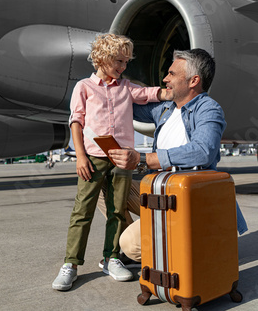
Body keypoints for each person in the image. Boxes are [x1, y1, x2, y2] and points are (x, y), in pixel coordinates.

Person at [52, 33, 171, 291]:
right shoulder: (84, 87)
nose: (123, 66)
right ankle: (71, 264)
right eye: (119, 60)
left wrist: (167, 92)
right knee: (82, 210)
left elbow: (147, 93)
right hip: (93, 158)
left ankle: (112, 258)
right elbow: (76, 122)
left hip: (122, 158)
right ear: (103, 58)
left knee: (117, 210)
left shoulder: (126, 87)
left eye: (126, 62)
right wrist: (80, 155)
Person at [106, 48, 248, 262]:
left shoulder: (208, 109)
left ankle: (172, 248)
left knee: (129, 243)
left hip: (187, 198)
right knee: (105, 186)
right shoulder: (164, 109)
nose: (165, 79)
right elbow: (127, 104)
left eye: (172, 74)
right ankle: (150, 246)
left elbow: (203, 151)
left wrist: (144, 159)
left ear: (194, 81)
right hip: (160, 191)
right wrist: (110, 75)